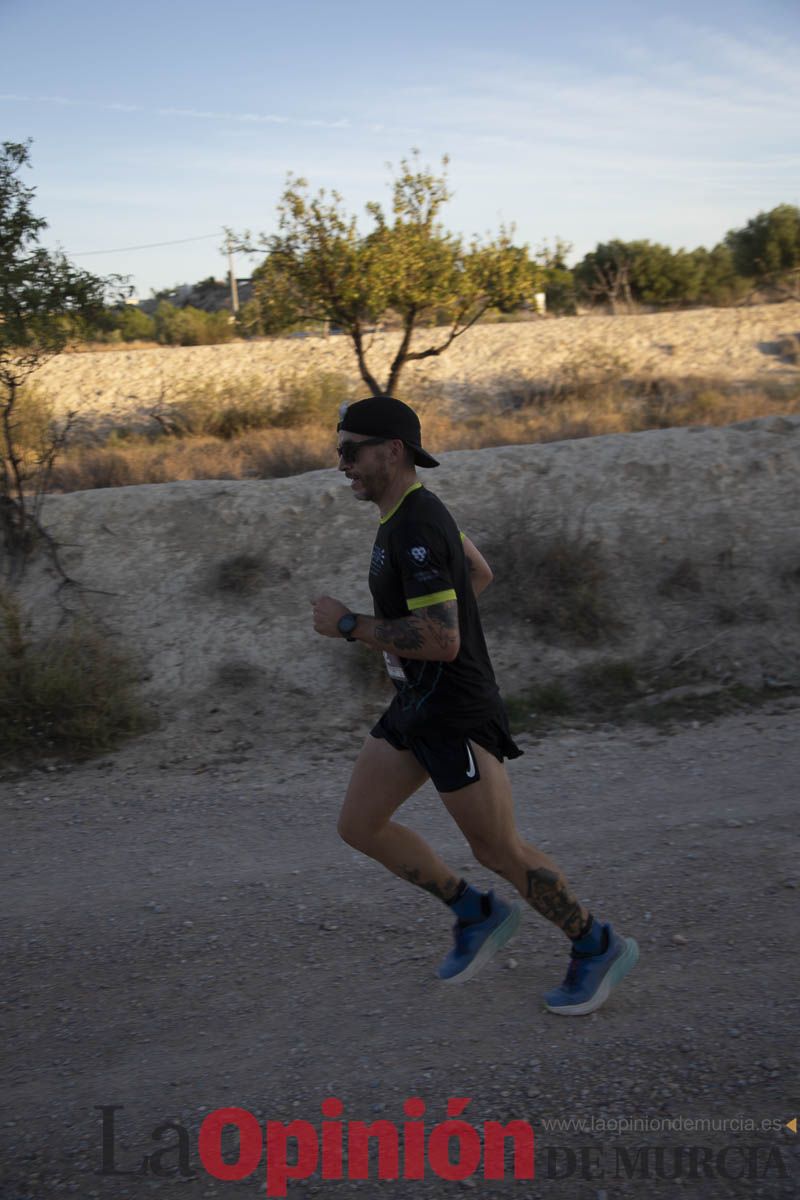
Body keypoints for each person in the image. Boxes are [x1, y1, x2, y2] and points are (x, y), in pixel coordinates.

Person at [311, 395, 638, 1015]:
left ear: (392, 451)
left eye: (350, 451)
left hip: (455, 713)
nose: (342, 464)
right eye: (339, 451)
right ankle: (476, 912)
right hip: (417, 703)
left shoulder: (416, 526)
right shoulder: (410, 515)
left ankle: (597, 944)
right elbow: (477, 571)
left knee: (498, 850)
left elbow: (443, 640)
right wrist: (421, 642)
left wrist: (352, 625)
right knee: (359, 825)